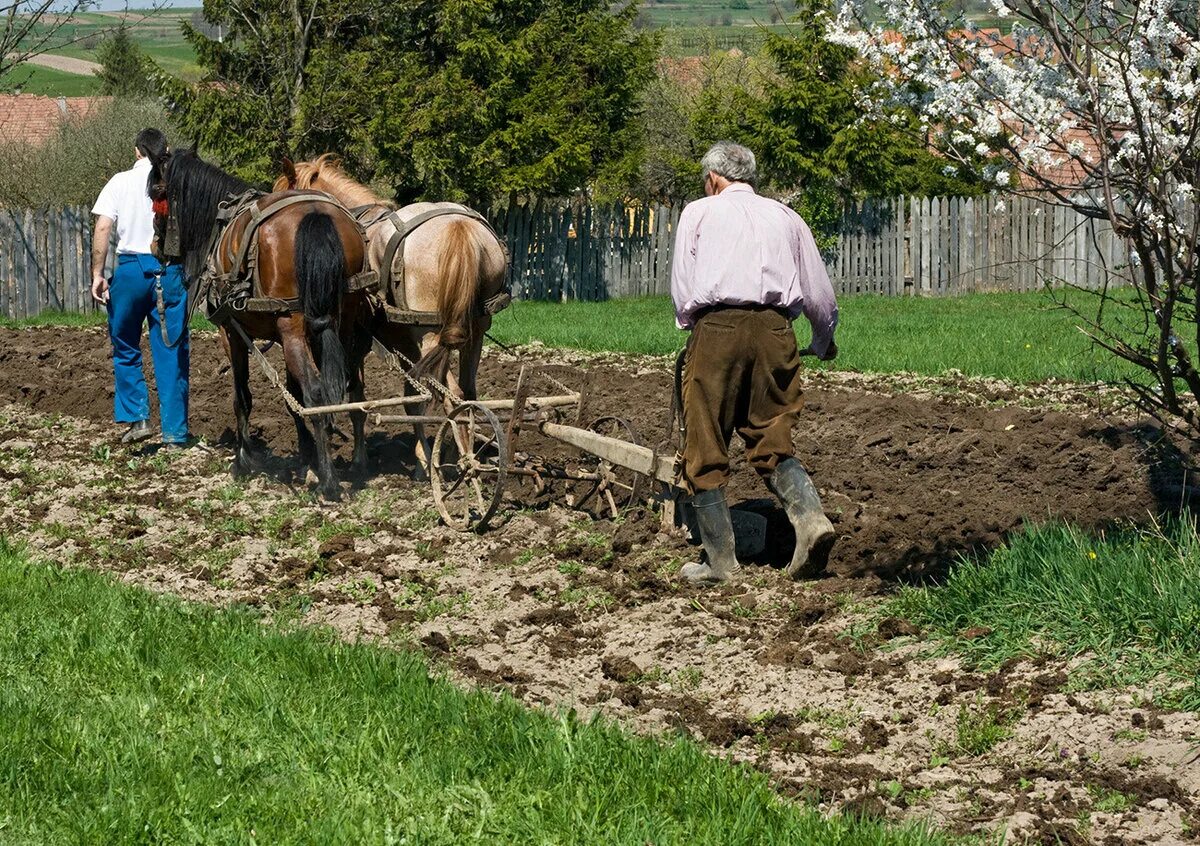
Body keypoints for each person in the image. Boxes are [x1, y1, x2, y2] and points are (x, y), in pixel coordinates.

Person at [670, 141, 839, 584]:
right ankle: (810, 521)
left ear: (712, 179)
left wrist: (695, 326)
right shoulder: (786, 216)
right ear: (751, 178)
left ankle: (721, 564)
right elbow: (820, 292)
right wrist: (824, 339)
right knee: (772, 436)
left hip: (717, 328)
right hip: (775, 329)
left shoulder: (699, 212)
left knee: (705, 438)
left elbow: (683, 289)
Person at [91, 128, 190, 446]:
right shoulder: (176, 183)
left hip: (131, 272)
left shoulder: (118, 182)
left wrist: (98, 273)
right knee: (172, 350)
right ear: (166, 150)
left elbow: (103, 227)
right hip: (168, 270)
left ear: (137, 151)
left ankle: (139, 419)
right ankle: (175, 433)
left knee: (125, 346)